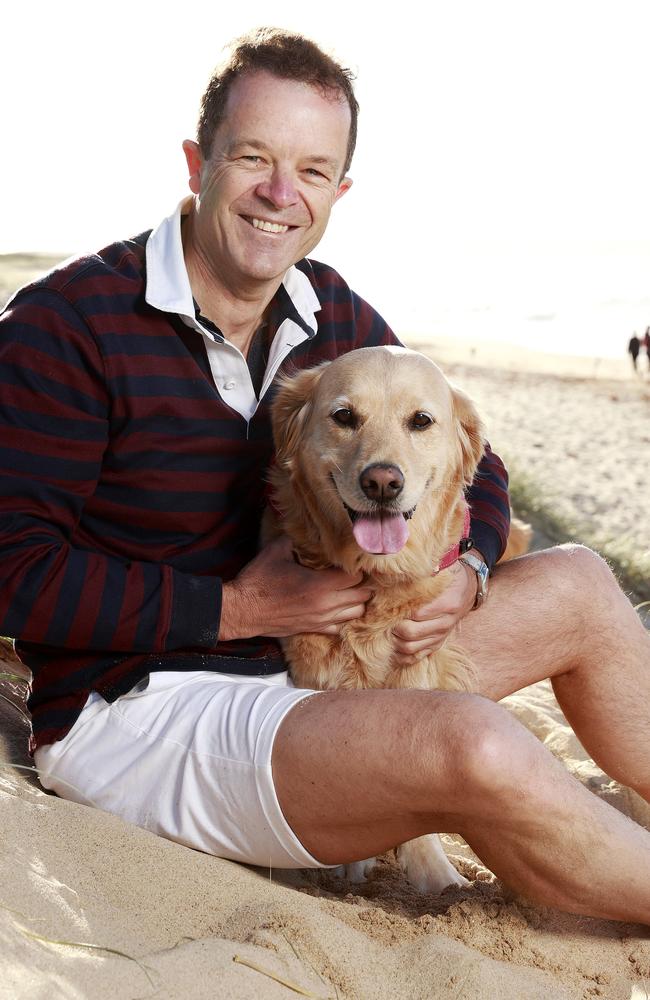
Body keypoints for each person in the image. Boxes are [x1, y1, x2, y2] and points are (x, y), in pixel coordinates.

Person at [1, 28, 649, 925]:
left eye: (311, 170)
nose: (280, 192)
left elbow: (469, 457)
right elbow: (12, 574)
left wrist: (470, 572)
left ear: (338, 191)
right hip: (145, 708)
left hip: (325, 665)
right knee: (468, 740)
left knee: (578, 580)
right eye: (254, 158)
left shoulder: (330, 309)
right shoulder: (67, 327)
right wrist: (238, 609)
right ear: (199, 162)